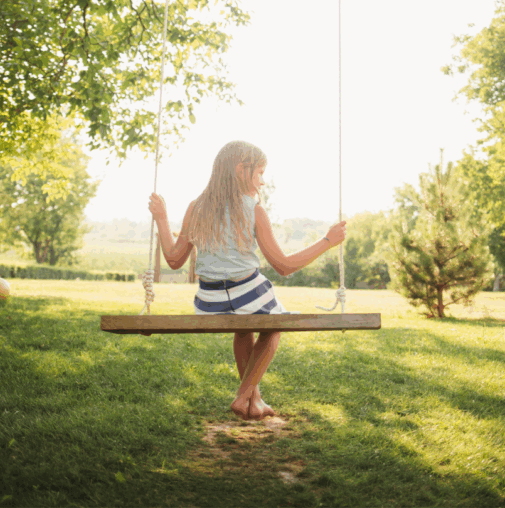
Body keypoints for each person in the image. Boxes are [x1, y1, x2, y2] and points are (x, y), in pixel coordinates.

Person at [149, 140, 346, 421]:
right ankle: (244, 396)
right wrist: (327, 241)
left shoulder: (197, 207)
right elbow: (284, 266)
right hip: (248, 292)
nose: (262, 182)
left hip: (209, 302)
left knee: (244, 328)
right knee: (274, 325)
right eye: (260, 173)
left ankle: (255, 399)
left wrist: (161, 218)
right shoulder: (253, 210)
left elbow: (173, 260)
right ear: (241, 170)